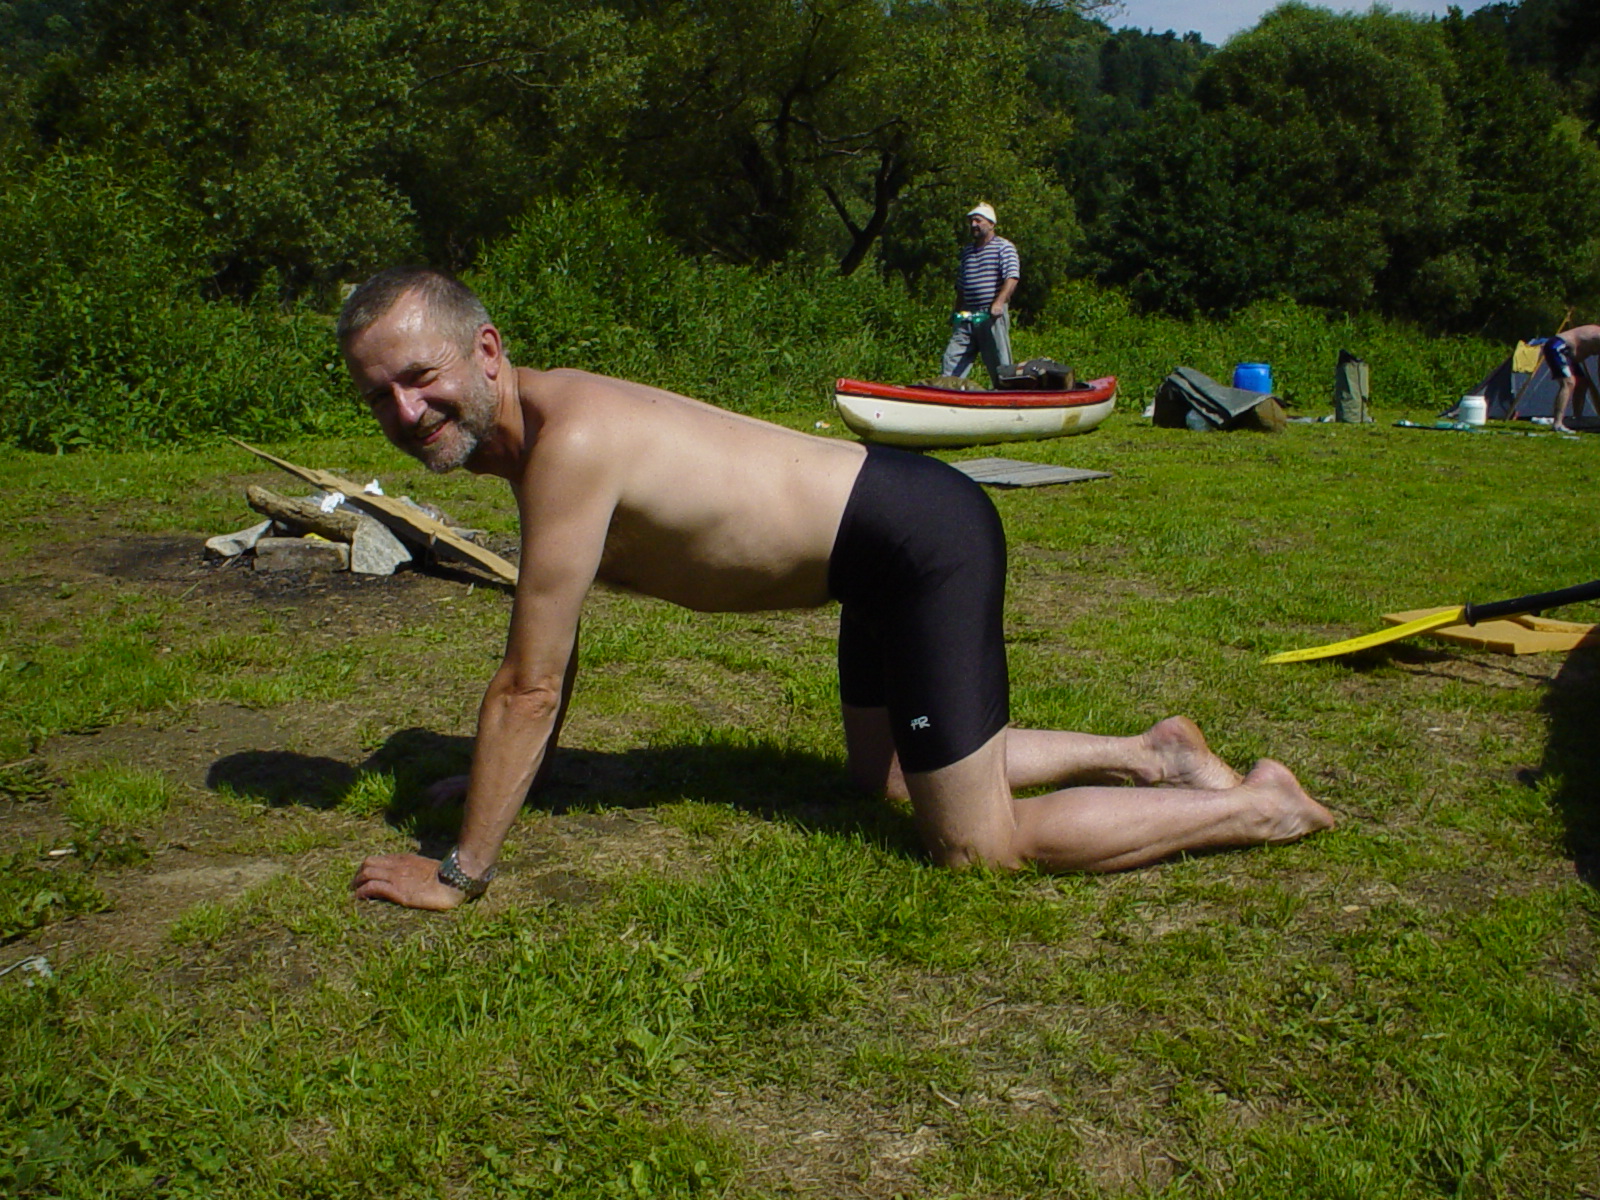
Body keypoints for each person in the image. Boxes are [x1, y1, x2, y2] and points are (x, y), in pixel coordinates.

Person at [339, 267, 1334, 910]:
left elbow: (529, 684)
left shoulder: (572, 442)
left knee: (976, 847)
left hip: (916, 540)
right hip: (869, 550)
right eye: (380, 394)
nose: (406, 409)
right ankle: (1153, 754)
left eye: (420, 376)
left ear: (488, 351)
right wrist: (521, 775)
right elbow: (551, 646)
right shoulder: (538, 437)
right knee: (885, 777)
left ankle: (1260, 807)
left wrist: (460, 869)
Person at [940, 202, 1019, 388]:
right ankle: (948, 391)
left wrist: (999, 303)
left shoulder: (1004, 247)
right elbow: (962, 286)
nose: (973, 225)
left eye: (978, 220)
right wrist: (956, 311)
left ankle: (1005, 395)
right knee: (952, 357)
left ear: (991, 224)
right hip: (968, 313)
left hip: (990, 314)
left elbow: (1012, 277)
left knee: (999, 362)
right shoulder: (967, 251)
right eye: (971, 221)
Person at [1533, 324, 1600, 433]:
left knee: (1582, 383)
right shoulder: (1598, 335)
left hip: (1568, 353)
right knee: (1568, 383)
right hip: (1558, 346)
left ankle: (1577, 418)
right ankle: (1557, 423)